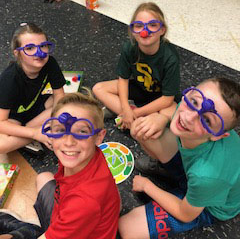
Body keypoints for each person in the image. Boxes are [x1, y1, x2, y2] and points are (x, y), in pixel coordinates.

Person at [118, 77, 240, 238]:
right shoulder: (187, 111)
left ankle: (179, 181)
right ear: (188, 93)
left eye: (207, 120)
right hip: (198, 176)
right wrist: (161, 118)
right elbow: (172, 110)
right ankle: (176, 176)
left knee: (127, 227)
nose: (189, 117)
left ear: (219, 136)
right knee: (142, 129)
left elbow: (185, 214)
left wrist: (148, 186)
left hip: (208, 205)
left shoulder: (207, 175)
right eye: (195, 102)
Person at [32, 90, 120, 238]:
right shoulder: (88, 154)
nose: (68, 142)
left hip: (78, 218)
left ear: (99, 137)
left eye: (82, 132)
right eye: (60, 130)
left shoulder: (84, 203)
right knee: (43, 177)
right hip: (76, 213)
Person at [92, 2, 180, 129]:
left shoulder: (170, 57)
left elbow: (167, 99)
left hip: (161, 98)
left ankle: (130, 116)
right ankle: (134, 117)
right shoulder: (129, 48)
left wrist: (134, 113)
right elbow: (123, 79)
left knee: (172, 114)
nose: (145, 31)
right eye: (139, 26)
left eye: (153, 25)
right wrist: (126, 108)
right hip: (140, 88)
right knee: (98, 88)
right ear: (133, 31)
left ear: (162, 30)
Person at [0, 22, 65, 159]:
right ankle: (36, 134)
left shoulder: (50, 63)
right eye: (30, 48)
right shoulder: (9, 79)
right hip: (14, 117)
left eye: (43, 46)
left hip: (36, 107)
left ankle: (28, 135)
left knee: (69, 103)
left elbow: (59, 94)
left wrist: (55, 121)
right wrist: (34, 133)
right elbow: (1, 123)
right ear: (17, 53)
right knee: (2, 145)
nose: (39, 53)